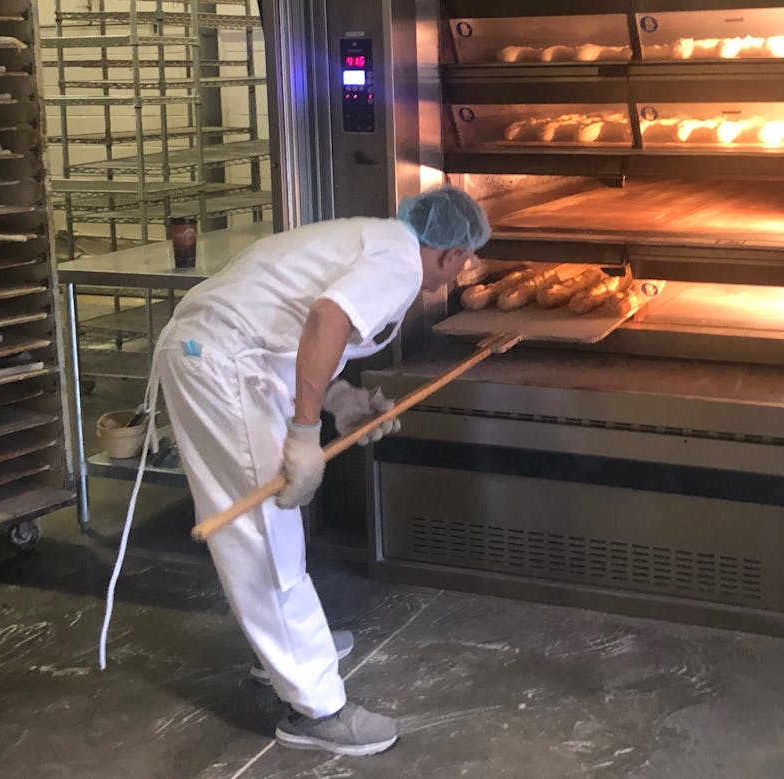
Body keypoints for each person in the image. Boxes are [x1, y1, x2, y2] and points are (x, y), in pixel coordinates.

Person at [98, 187, 491, 757]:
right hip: (218, 361)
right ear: (453, 253)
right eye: (467, 260)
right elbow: (326, 319)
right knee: (262, 534)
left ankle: (288, 648)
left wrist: (342, 400)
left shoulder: (378, 239)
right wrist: (306, 433)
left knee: (267, 528)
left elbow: (287, 331)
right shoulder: (401, 262)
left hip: (229, 356)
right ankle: (314, 708)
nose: (464, 272)